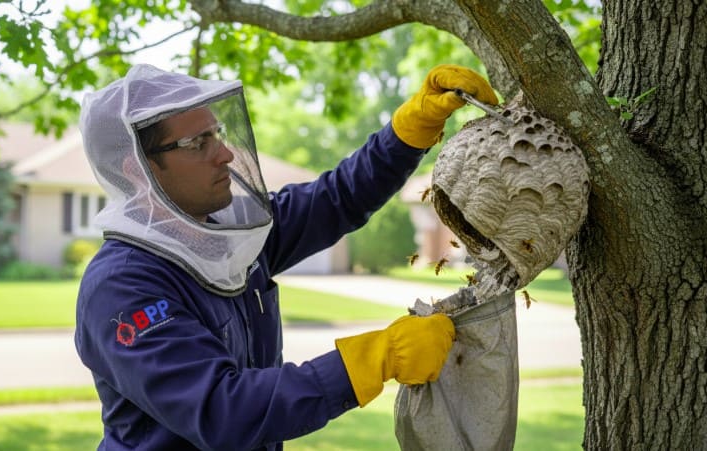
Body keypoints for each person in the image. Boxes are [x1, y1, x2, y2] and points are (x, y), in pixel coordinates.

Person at [75, 63, 498, 450]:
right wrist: (375, 357)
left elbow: (336, 199)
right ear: (137, 169)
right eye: (197, 143)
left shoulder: (229, 233)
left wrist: (409, 130)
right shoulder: (122, 288)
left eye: (217, 133)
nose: (223, 152)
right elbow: (224, 412)